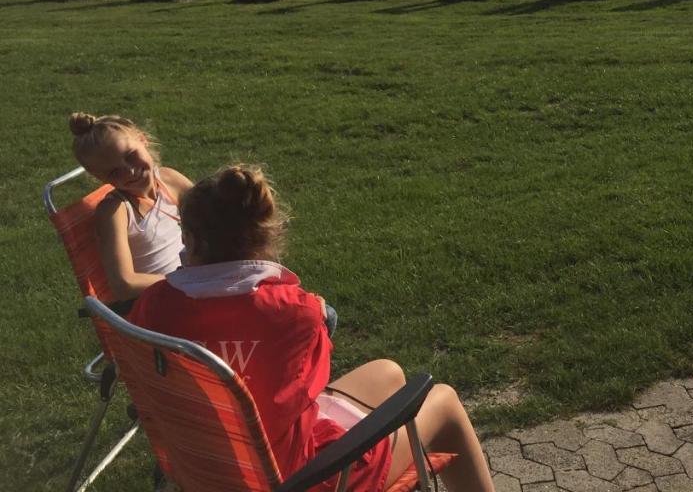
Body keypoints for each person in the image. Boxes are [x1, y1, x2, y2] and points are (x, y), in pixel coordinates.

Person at [129, 165, 495, 492]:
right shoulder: (294, 314)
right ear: (268, 239)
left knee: (388, 371)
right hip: (307, 479)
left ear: (190, 240)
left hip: (207, 473)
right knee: (443, 400)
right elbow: (307, 387)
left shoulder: (153, 305)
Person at [70, 112, 193, 301]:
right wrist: (187, 280)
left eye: (130, 156)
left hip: (196, 287)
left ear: (142, 140)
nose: (130, 171)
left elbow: (213, 216)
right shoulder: (116, 211)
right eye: (114, 171)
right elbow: (124, 284)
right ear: (99, 177)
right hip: (163, 303)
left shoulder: (169, 179)